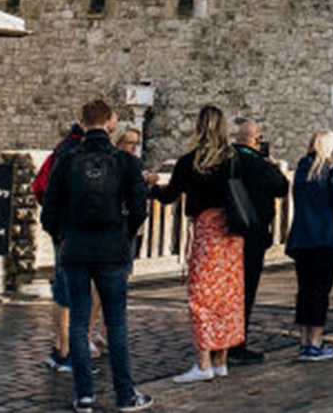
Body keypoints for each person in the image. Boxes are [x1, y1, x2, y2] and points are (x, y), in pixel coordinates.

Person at [41, 98, 153, 413]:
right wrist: (124, 232)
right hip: (111, 248)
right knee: (116, 322)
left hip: (75, 247)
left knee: (78, 321)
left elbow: (49, 210)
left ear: (83, 121)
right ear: (110, 123)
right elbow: (140, 209)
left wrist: (63, 236)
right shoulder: (124, 161)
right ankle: (125, 394)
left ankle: (84, 394)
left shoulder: (66, 158)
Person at [148, 105, 243, 383]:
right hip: (231, 234)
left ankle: (203, 362)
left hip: (206, 232)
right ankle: (221, 359)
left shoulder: (190, 161)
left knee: (201, 297)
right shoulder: (233, 159)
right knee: (228, 296)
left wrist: (151, 187)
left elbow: (170, 196)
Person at [284, 130, 333, 362]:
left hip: (302, 237)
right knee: (320, 291)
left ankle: (304, 340)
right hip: (323, 237)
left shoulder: (303, 168)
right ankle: (315, 341)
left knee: (304, 290)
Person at [230, 119, 289, 365]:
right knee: (246, 290)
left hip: (227, 232)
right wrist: (274, 166)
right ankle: (236, 343)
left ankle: (218, 341)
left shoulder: (227, 161)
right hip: (252, 233)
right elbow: (281, 187)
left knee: (226, 290)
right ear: (255, 140)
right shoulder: (259, 165)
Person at [33, 119, 86, 373]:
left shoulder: (62, 150)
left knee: (62, 289)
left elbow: (47, 192)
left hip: (60, 228)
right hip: (73, 230)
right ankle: (67, 352)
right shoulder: (77, 153)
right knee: (70, 292)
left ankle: (58, 348)